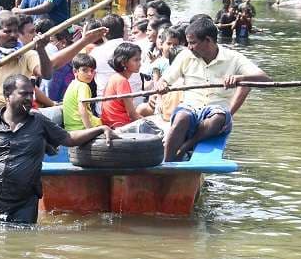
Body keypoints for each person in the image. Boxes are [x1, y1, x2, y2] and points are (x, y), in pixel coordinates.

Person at [0, 74, 117, 223]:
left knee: (22, 248)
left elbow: (69, 139)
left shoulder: (39, 122)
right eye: (24, 94)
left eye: (31, 94)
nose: (29, 98)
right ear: (7, 97)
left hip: (25, 204)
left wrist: (100, 129)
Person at [156, 18, 270, 161]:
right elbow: (164, 79)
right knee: (181, 117)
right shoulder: (185, 56)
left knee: (218, 117)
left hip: (216, 111)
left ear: (208, 40)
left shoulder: (233, 58)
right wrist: (161, 85)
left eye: (193, 43)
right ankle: (167, 163)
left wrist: (239, 78)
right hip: (190, 107)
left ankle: (186, 146)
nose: (189, 47)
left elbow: (265, 79)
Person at [100, 42, 152, 128]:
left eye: (139, 60)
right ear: (123, 62)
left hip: (111, 124)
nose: (139, 63)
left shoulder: (115, 77)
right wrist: (150, 124)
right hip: (120, 125)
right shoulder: (122, 81)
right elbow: (132, 114)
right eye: (135, 60)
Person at [62, 53, 102, 131]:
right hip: (81, 128)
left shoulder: (73, 84)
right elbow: (82, 109)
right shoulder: (83, 86)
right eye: (84, 70)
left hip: (71, 128)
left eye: (92, 70)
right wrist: (90, 131)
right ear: (75, 71)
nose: (90, 74)